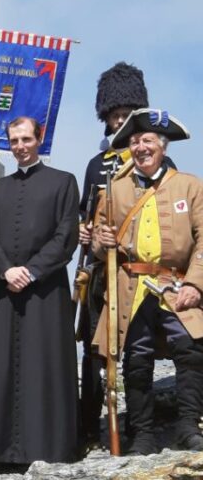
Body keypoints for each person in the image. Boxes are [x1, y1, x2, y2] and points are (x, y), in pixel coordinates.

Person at [0, 117, 80, 468]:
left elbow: (66, 238)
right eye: (14, 140)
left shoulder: (63, 182)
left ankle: (44, 448)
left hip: (44, 291)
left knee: (42, 367)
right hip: (5, 290)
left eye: (26, 139)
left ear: (39, 138)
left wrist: (31, 271)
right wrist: (6, 270)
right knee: (0, 368)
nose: (20, 146)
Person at [92, 109, 203, 455]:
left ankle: (188, 426)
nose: (140, 146)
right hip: (131, 287)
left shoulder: (190, 185)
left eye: (148, 141)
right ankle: (142, 434)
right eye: (135, 141)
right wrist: (101, 241)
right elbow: (96, 243)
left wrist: (195, 286)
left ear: (163, 147)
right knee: (136, 359)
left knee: (190, 350)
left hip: (176, 285)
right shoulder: (114, 189)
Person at [76, 62, 176, 446]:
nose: (119, 122)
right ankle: (86, 427)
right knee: (93, 349)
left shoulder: (159, 162)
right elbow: (81, 214)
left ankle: (139, 426)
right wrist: (82, 231)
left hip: (141, 276)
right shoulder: (95, 165)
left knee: (140, 351)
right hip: (100, 272)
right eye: (114, 116)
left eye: (125, 116)